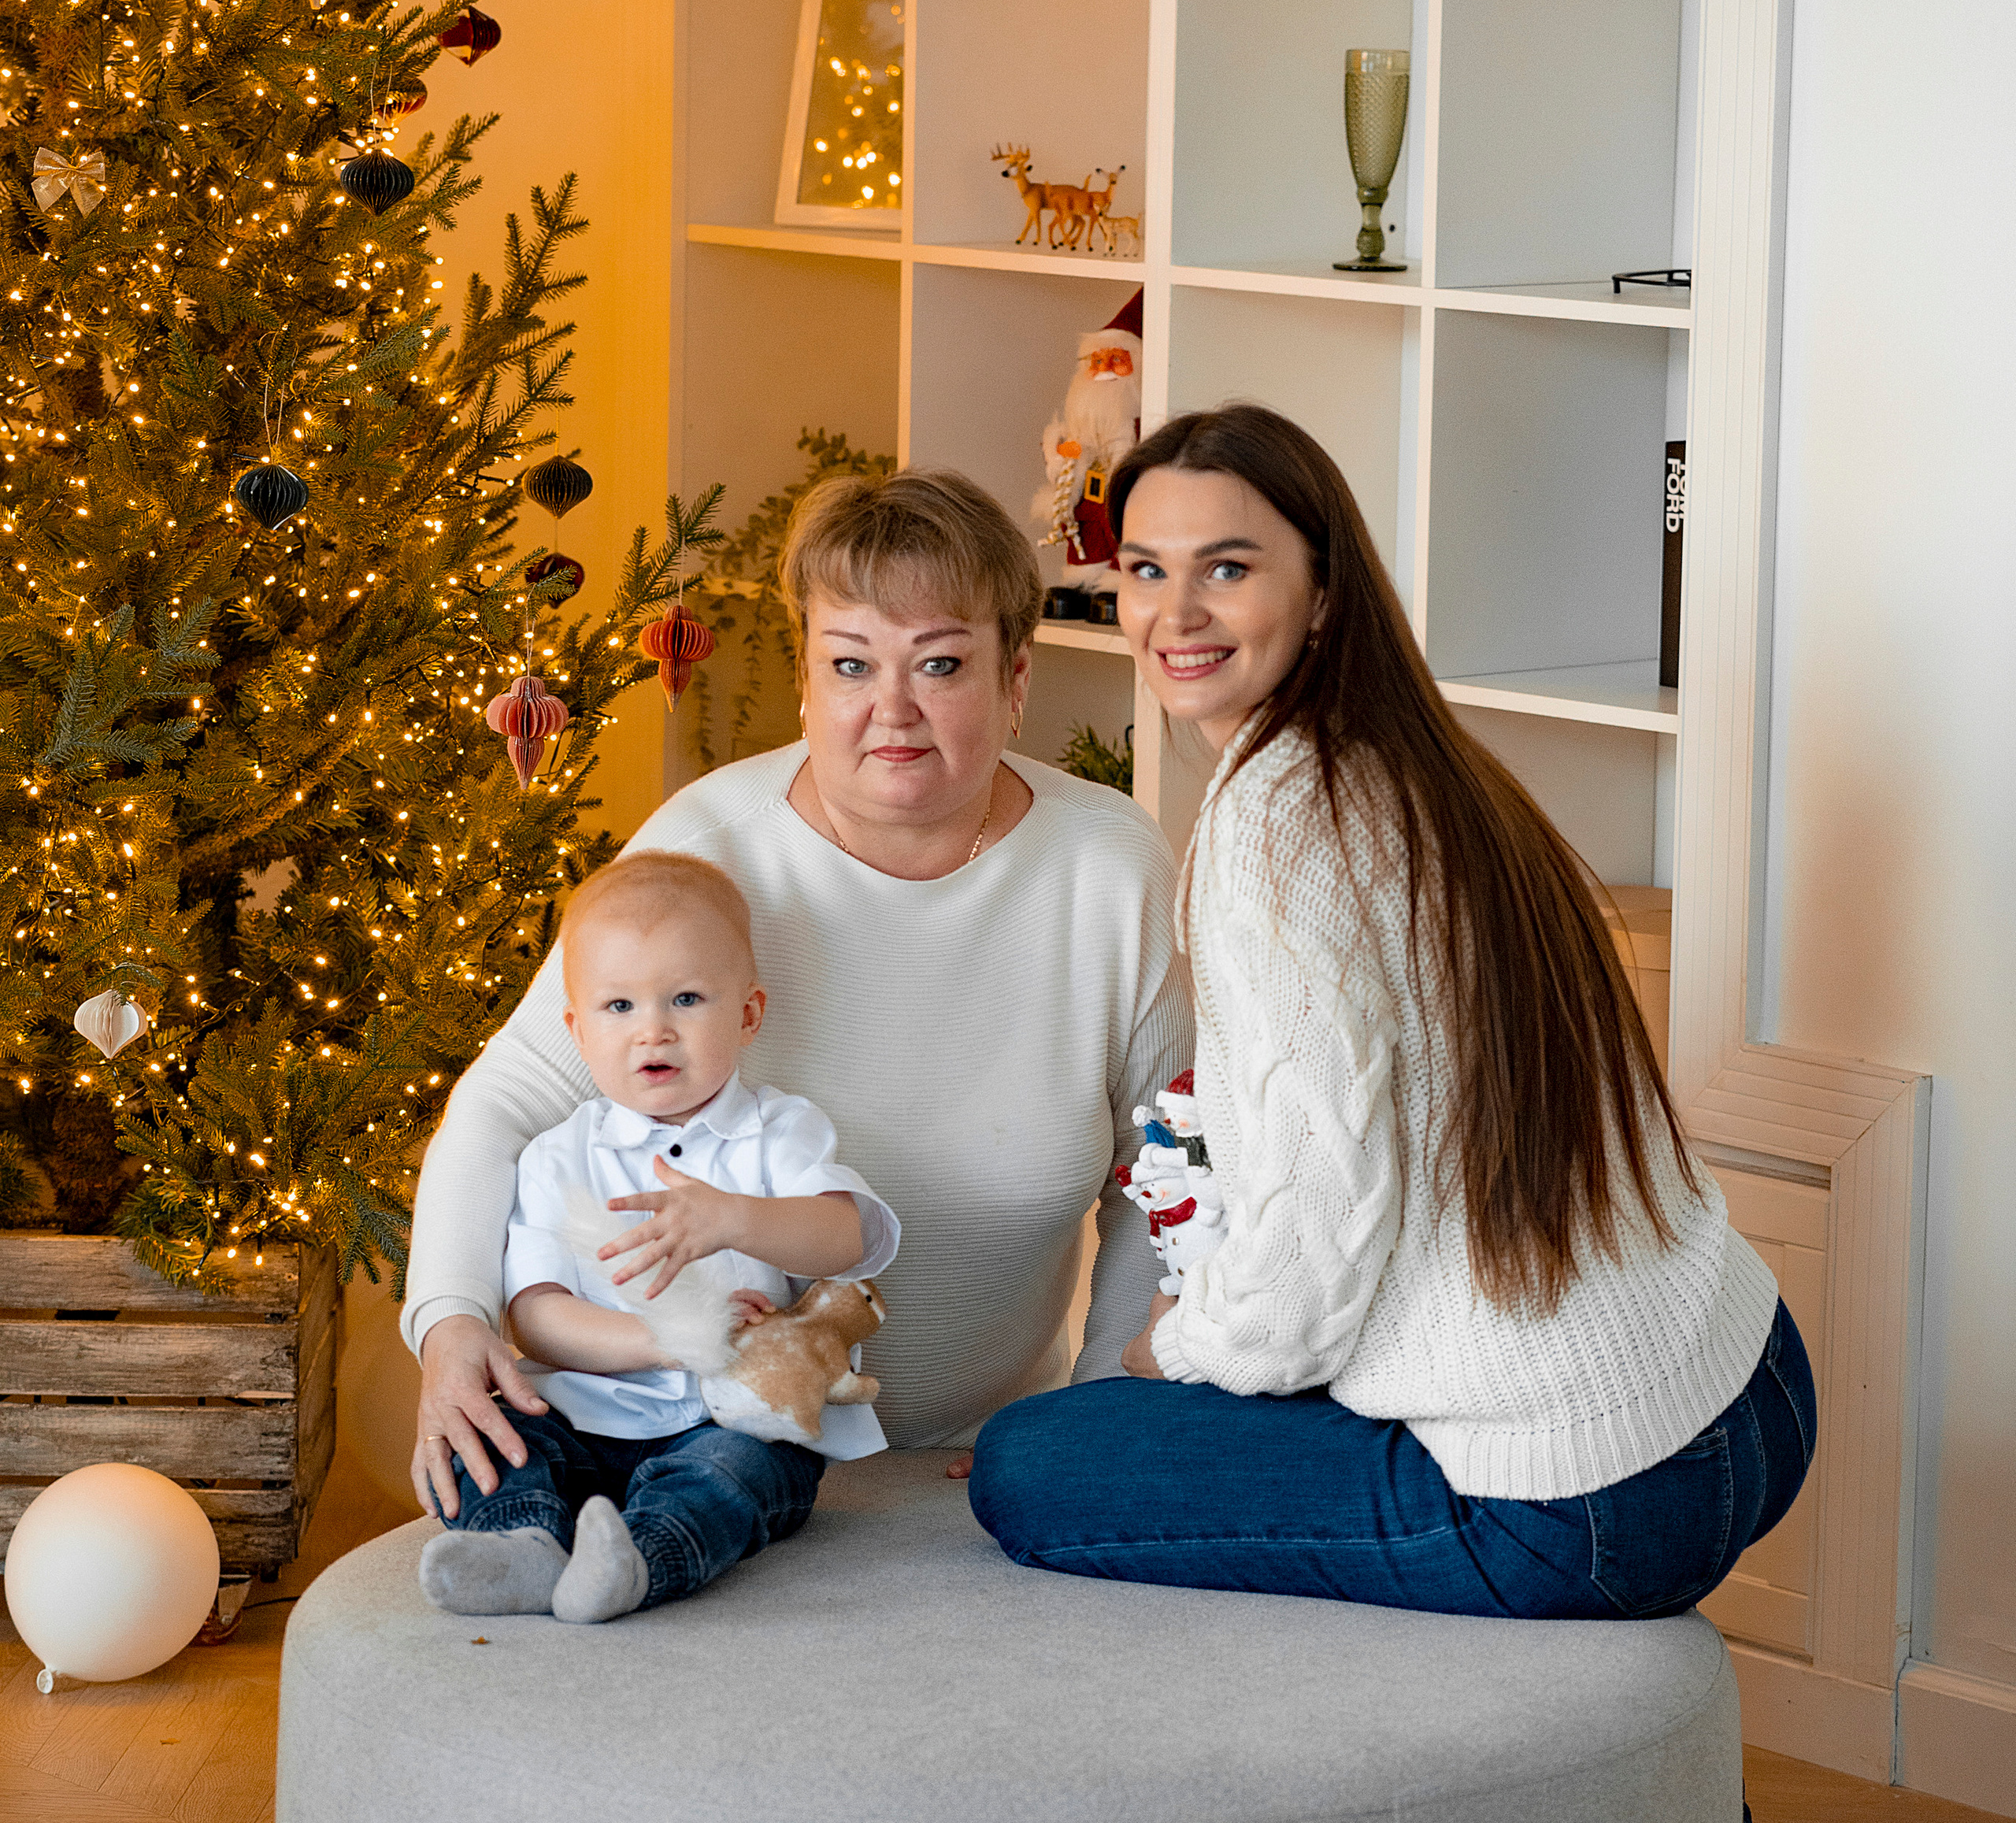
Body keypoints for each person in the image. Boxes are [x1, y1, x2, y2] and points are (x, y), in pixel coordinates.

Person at [969, 405, 1816, 1621]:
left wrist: (1176, 1345)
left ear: (1323, 594)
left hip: (1581, 1496)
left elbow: (1303, 1285)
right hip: (1751, 1377)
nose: (1175, 613)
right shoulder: (1413, 759)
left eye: (1228, 569)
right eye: (1146, 570)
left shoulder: (1272, 827)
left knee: (1032, 1461)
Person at [404, 465, 1192, 1521]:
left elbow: (1163, 1173)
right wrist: (451, 1317)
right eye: (851, 663)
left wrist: (1095, 1414)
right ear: (805, 679)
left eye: (941, 663)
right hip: (698, 1445)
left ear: (1015, 679)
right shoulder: (709, 847)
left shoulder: (1111, 865)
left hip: (982, 1471)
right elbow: (504, 1103)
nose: (892, 710)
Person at [418, 850, 898, 1622]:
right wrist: (664, 1341)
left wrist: (736, 1218)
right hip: (583, 1416)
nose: (654, 1031)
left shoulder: (780, 1133)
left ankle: (642, 1560)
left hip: (731, 1419)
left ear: (747, 1014)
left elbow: (847, 1238)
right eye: (619, 1006)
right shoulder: (556, 1156)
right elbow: (535, 1315)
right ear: (577, 1030)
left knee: (736, 1473)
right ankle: (522, 1545)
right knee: (495, 1432)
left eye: (686, 998)